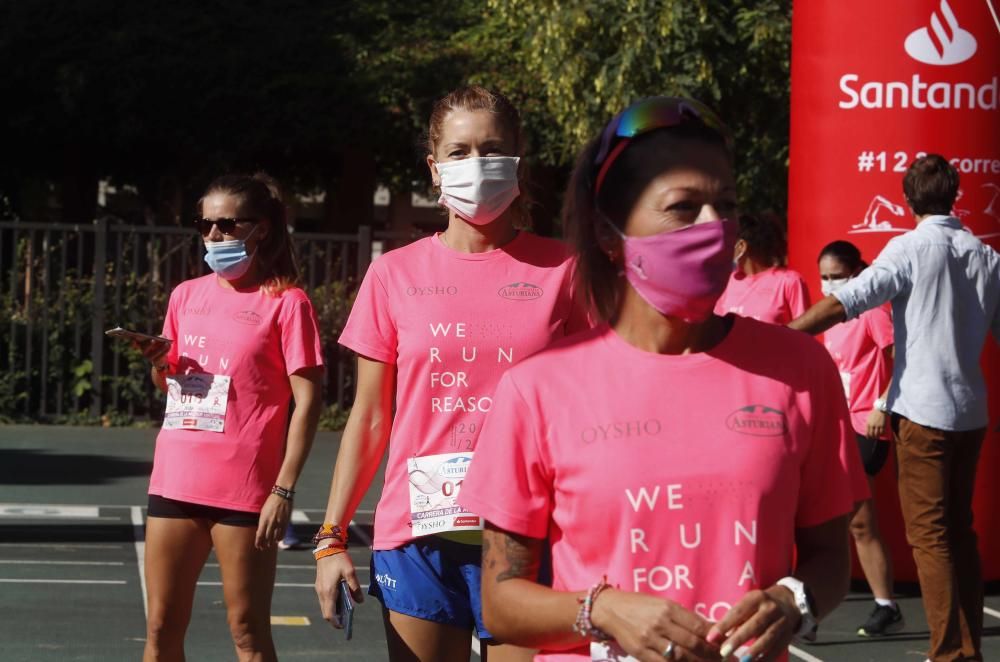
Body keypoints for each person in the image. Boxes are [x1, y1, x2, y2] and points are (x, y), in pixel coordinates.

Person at [458, 97, 862, 662]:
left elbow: (830, 560)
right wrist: (600, 609)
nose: (713, 227)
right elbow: (501, 603)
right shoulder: (538, 390)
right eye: (682, 207)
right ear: (608, 235)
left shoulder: (801, 371)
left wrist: (794, 598)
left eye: (726, 205)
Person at [313, 86, 588, 662]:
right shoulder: (393, 274)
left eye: (491, 149)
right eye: (459, 151)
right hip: (418, 541)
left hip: (528, 540)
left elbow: (599, 404)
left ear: (518, 160)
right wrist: (330, 538)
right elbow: (369, 417)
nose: (476, 164)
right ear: (434, 169)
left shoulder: (568, 272)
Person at [790, 154, 1000, 661]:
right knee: (959, 532)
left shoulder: (908, 247)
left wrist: (781, 337)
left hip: (924, 413)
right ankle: (964, 647)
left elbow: (848, 300)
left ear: (908, 201)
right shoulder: (987, 256)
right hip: (970, 412)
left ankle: (950, 654)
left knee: (930, 538)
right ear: (955, 196)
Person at [137, 173, 325, 661]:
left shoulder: (288, 303)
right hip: (176, 477)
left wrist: (283, 490)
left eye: (225, 225)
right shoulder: (185, 295)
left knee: (246, 631)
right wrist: (160, 364)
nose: (213, 236)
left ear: (259, 229)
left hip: (244, 489)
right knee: (160, 627)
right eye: (204, 225)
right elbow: (171, 383)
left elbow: (308, 402)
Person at [816, 240, 903, 638]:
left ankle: (880, 606)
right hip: (835, 425)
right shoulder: (832, 319)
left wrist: (884, 404)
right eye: (824, 277)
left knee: (855, 519)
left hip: (865, 424)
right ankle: (884, 606)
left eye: (838, 277)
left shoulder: (870, 312)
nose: (830, 285)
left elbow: (900, 354)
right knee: (853, 522)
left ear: (857, 275)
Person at [715, 214, 810, 324]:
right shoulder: (727, 281)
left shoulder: (789, 281)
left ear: (741, 246)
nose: (722, 248)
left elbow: (805, 330)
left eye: (728, 242)